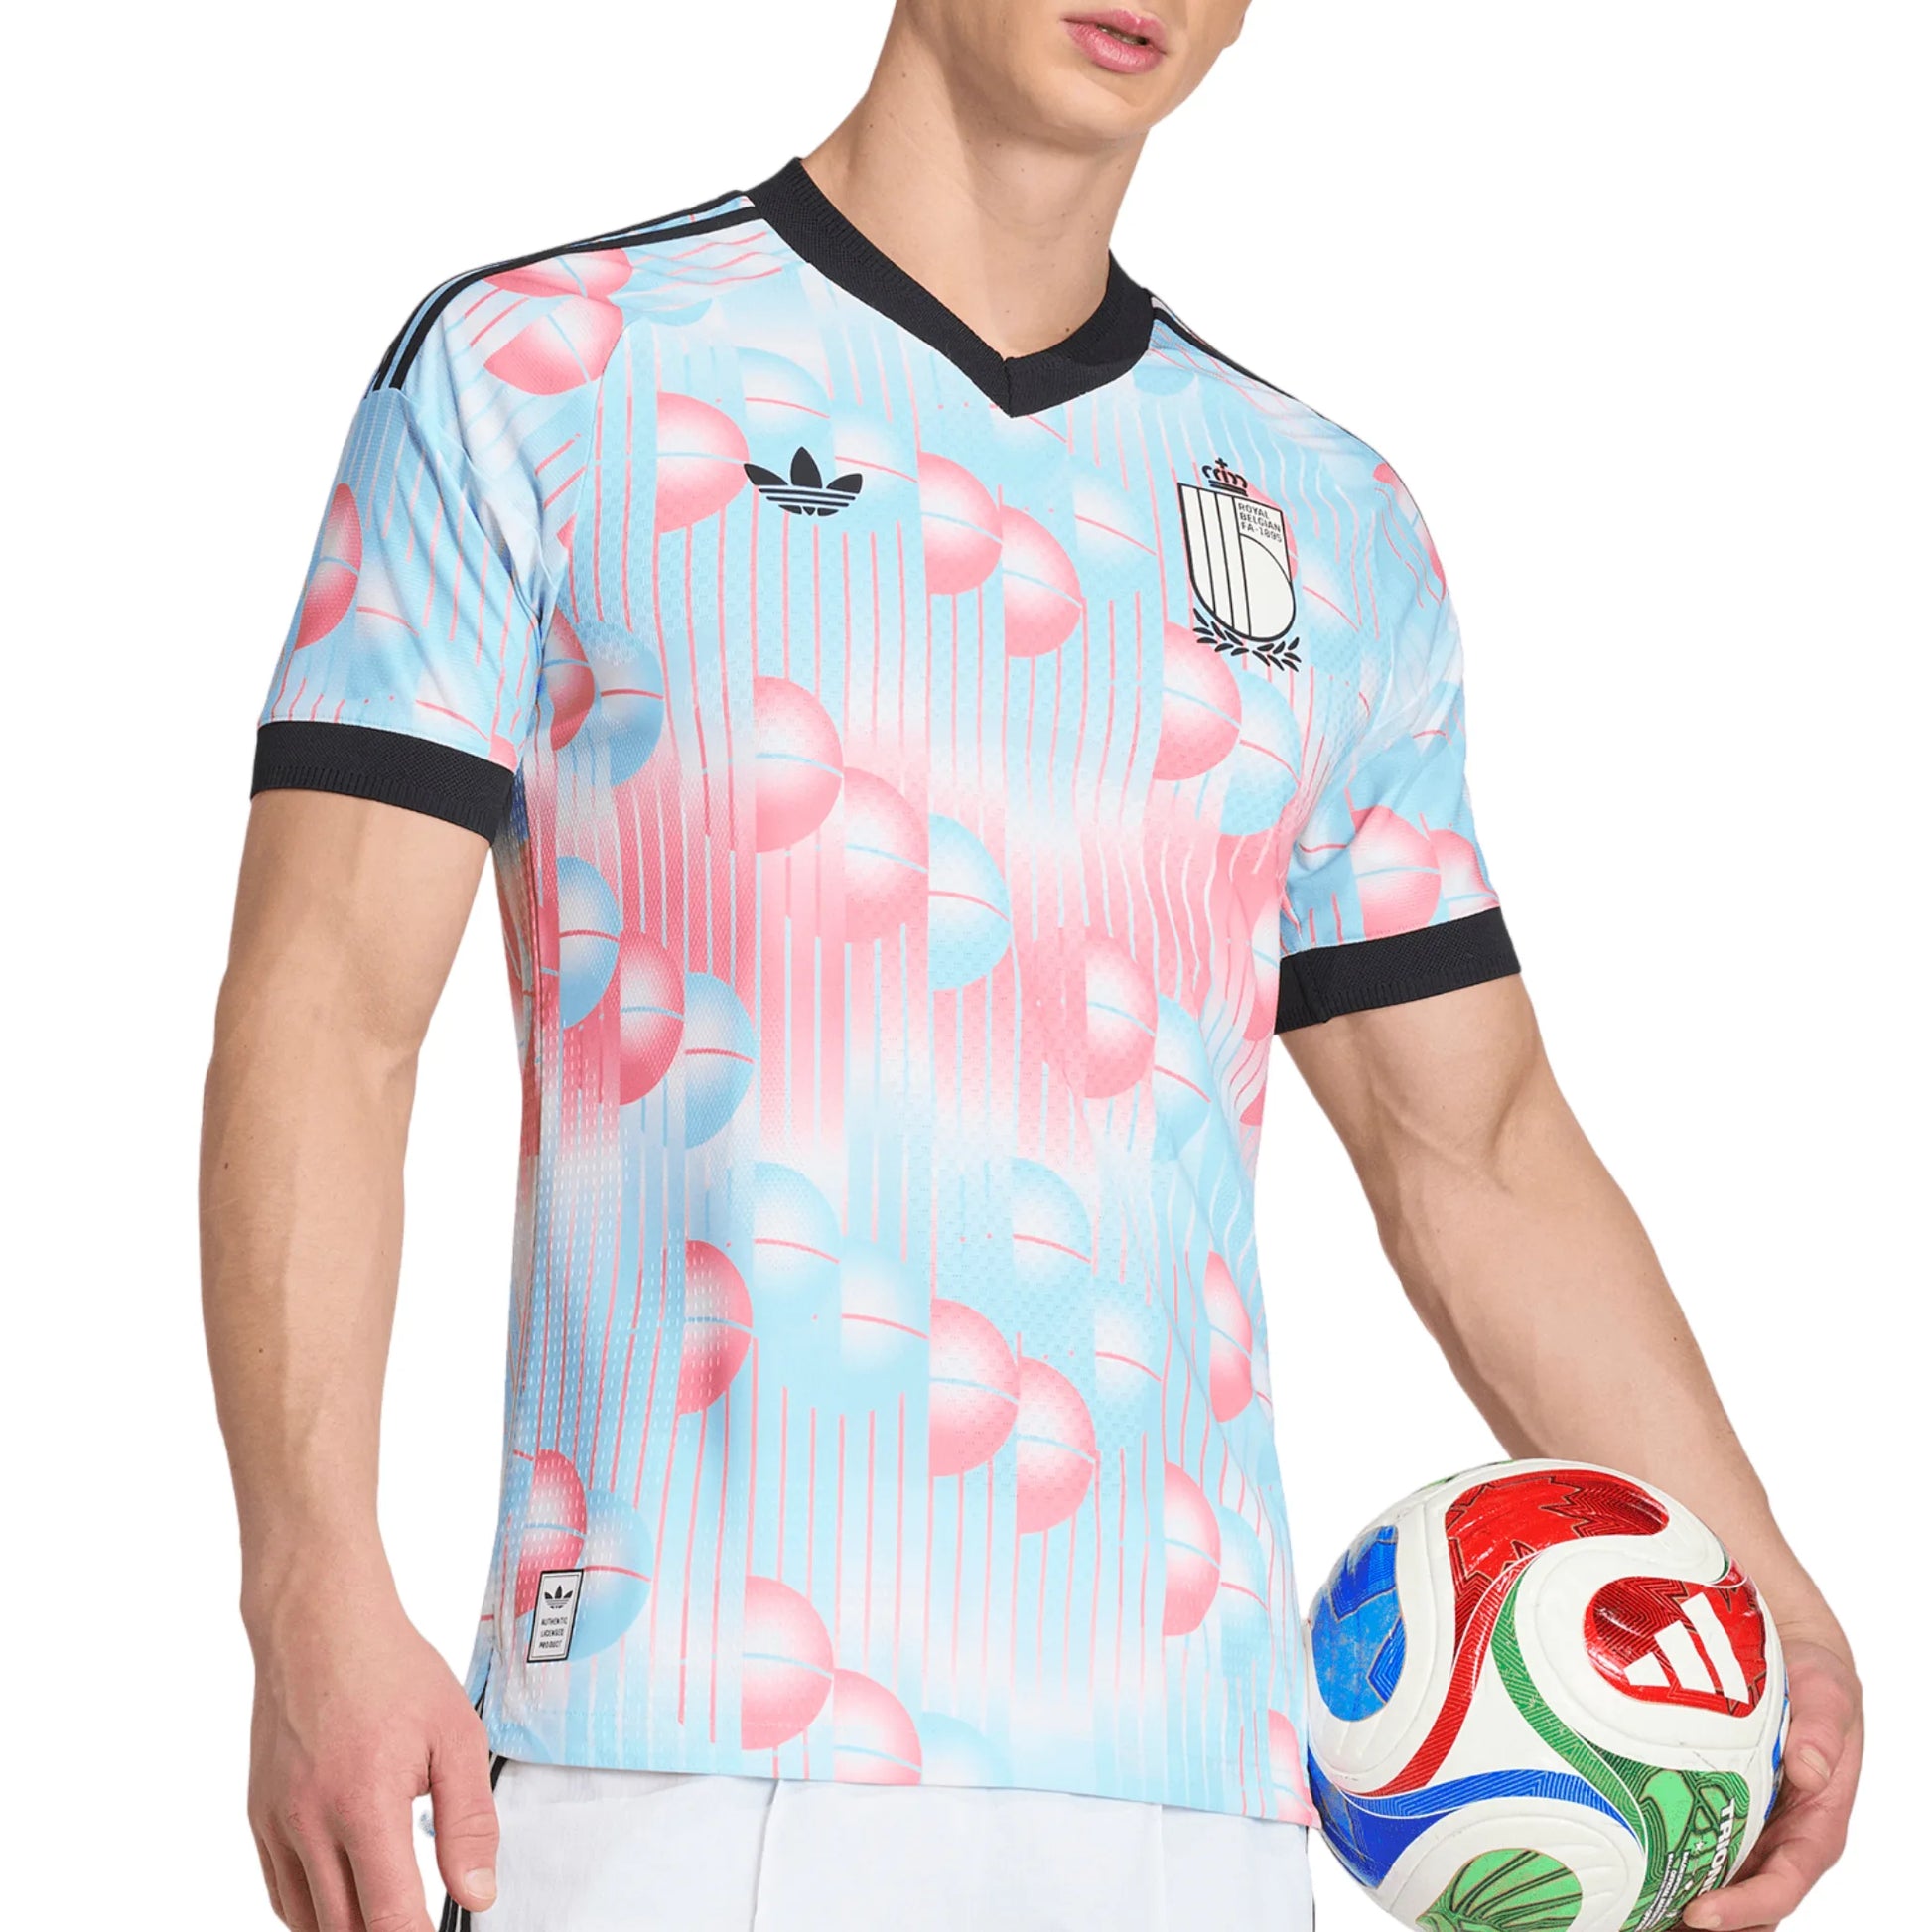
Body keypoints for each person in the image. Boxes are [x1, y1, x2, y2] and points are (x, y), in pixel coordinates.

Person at [200, 4, 1863, 1929]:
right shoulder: (543, 372)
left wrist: (1762, 1592)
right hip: (670, 1761)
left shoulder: (1327, 521)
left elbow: (1473, 1149)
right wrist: (306, 1580)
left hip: (1198, 1801)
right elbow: (324, 1007)